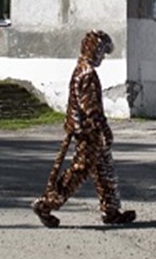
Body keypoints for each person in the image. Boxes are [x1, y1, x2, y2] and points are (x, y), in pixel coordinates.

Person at [31, 30, 136, 227]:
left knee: (106, 172)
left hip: (87, 132)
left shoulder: (80, 69)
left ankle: (111, 211)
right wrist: (103, 130)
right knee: (78, 173)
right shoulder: (87, 73)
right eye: (102, 52)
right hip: (89, 133)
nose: (103, 57)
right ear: (94, 50)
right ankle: (46, 204)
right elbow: (91, 109)